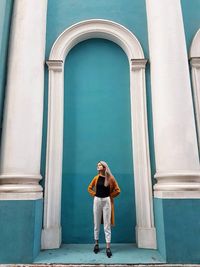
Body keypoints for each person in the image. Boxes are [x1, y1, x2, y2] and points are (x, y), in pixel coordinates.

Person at [88, 161, 120, 258]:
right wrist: (94, 195)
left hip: (107, 201)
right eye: (97, 165)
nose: (98, 166)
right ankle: (96, 244)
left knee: (107, 224)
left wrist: (110, 196)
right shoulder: (96, 178)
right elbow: (89, 188)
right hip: (97, 200)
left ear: (104, 167)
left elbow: (117, 190)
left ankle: (108, 247)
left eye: (99, 165)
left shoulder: (110, 178)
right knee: (96, 223)